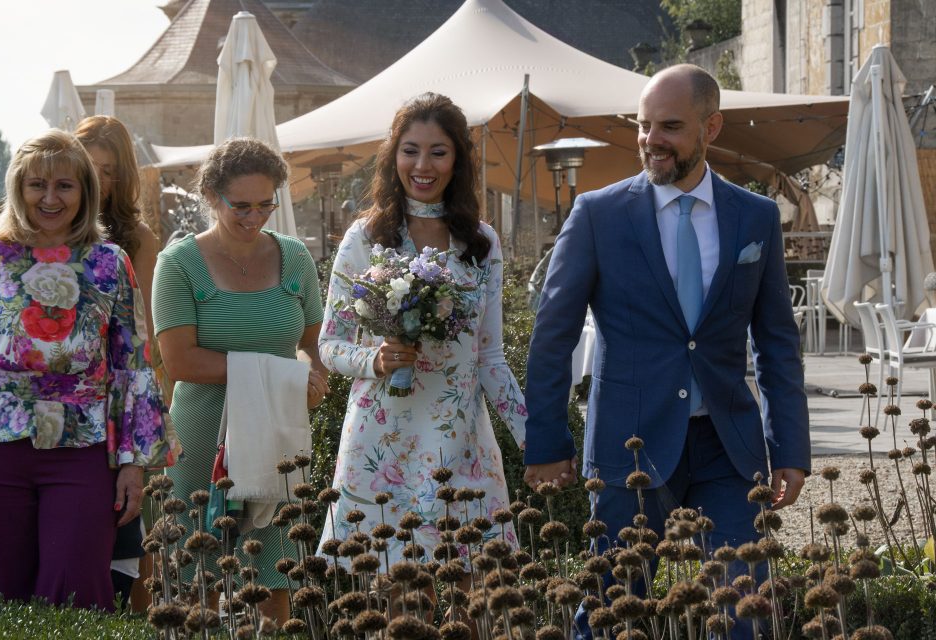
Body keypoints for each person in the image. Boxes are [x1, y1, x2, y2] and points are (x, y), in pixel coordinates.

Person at [523, 65, 810, 638]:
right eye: (644, 125)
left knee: (744, 611)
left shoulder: (755, 218)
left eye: (670, 126)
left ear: (713, 127)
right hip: (629, 445)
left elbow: (777, 340)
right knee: (609, 608)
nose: (651, 140)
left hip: (726, 449)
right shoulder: (598, 214)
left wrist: (791, 447)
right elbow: (553, 334)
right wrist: (547, 441)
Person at [318, 93, 527, 566]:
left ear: (458, 160)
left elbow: (490, 357)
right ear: (393, 156)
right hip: (382, 436)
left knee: (480, 592)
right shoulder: (365, 237)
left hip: (462, 438)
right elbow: (329, 345)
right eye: (410, 150)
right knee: (396, 594)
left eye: (438, 151)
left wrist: (535, 438)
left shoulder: (481, 242)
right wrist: (374, 359)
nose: (423, 164)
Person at [0, 130, 173, 610]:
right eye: (36, 185)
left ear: (85, 190)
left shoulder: (110, 262)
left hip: (83, 448)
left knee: (78, 588)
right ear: (17, 190)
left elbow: (133, 365)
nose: (49, 198)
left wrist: (133, 463)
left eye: (64, 185)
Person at [153, 137, 329, 623]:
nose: (254, 217)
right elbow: (180, 361)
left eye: (266, 204)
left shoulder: (295, 259)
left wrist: (312, 377)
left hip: (277, 435)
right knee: (196, 580)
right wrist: (276, 372)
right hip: (202, 437)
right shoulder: (179, 264)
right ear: (211, 195)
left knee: (275, 579)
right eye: (242, 205)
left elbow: (315, 344)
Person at [75, 115, 164, 610]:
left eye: (109, 170)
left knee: (131, 518)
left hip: (119, 394)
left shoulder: (138, 239)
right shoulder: (37, 225)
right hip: (61, 403)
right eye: (89, 165)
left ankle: (134, 618)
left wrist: (146, 415)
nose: (97, 179)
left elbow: (143, 335)